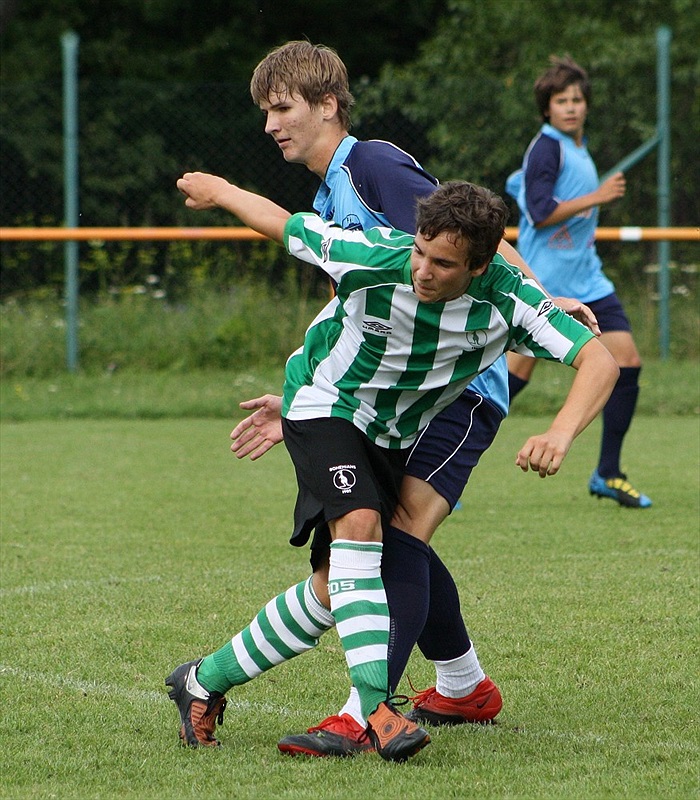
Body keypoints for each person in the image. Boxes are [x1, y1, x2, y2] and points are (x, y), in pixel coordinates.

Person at [166, 172, 619, 763]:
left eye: (444, 265)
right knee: (359, 525)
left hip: (389, 435)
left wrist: (560, 432)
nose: (424, 271)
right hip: (324, 406)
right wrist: (220, 190)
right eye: (421, 252)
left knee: (338, 589)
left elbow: (600, 361)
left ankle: (203, 679)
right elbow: (281, 222)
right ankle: (376, 709)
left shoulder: (509, 301)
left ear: (480, 267)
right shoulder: (375, 257)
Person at [236, 42, 601, 759]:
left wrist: (541, 301)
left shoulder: (369, 166)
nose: (271, 124)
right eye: (266, 112)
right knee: (386, 536)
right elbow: (368, 311)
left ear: (327, 105)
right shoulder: (330, 193)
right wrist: (308, 400)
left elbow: (471, 243)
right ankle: (464, 685)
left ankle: (361, 715)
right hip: (397, 395)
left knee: (393, 535)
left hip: (459, 390)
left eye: (281, 108)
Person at [505, 55, 651, 509]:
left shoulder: (575, 148)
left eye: (577, 100)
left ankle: (608, 472)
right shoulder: (547, 146)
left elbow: (522, 186)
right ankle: (430, 464)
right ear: (546, 108)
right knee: (503, 380)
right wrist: (598, 196)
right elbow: (543, 210)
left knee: (626, 360)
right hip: (548, 283)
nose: (570, 107)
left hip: (589, 279)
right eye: (560, 100)